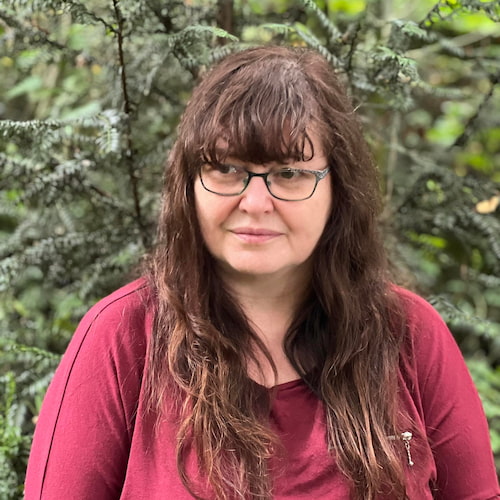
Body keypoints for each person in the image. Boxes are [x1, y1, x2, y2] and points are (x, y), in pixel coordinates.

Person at [25, 45, 499, 500]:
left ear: (339, 187)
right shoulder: (121, 338)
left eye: (289, 173)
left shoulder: (409, 335)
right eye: (226, 169)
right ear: (189, 184)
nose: (254, 203)